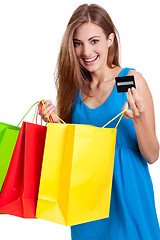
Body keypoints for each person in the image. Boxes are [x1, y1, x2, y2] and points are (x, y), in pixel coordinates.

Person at [40, 4, 160, 240]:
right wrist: (54, 125)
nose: (86, 51)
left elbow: (153, 155)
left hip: (129, 199)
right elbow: (68, 157)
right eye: (78, 43)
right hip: (87, 206)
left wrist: (140, 118)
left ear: (110, 40)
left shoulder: (130, 80)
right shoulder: (72, 90)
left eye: (94, 41)